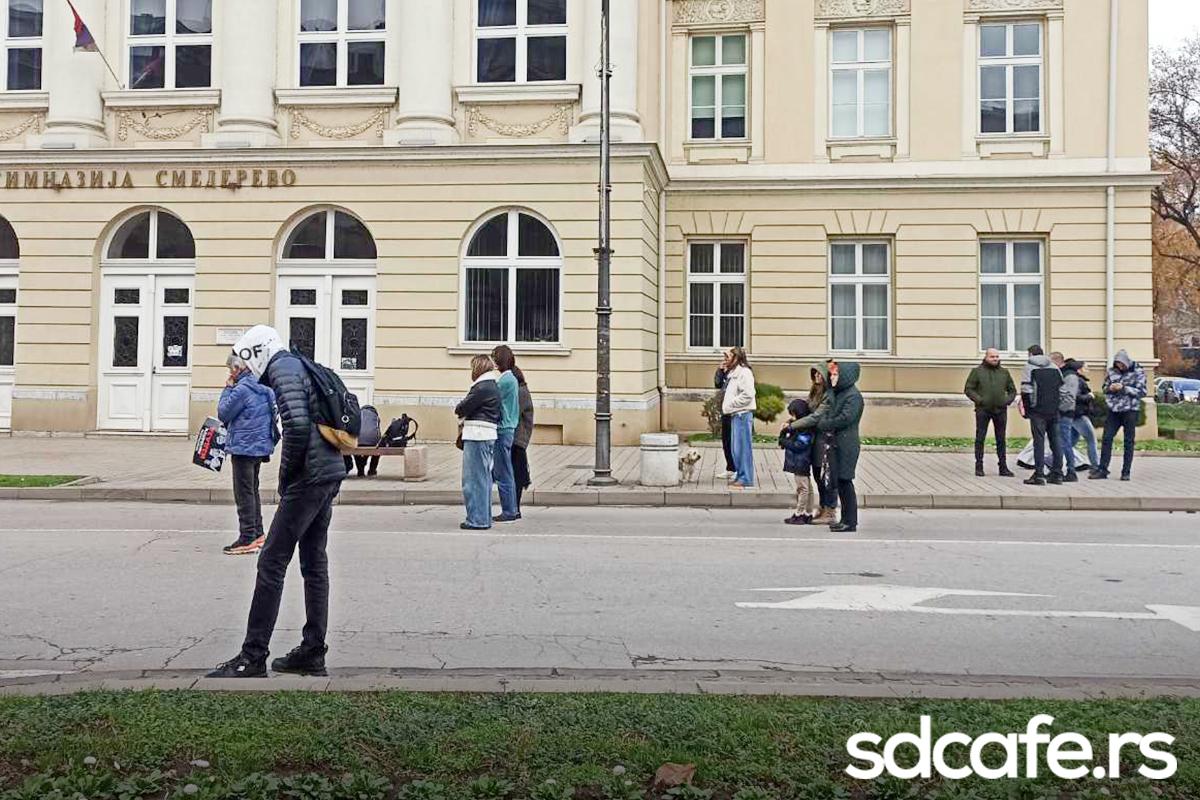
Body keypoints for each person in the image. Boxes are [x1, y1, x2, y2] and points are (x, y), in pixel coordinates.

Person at [207, 325, 346, 679]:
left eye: (246, 357)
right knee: (314, 561)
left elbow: (296, 426)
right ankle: (312, 651)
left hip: (309, 477)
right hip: (329, 470)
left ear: (257, 351)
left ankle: (252, 656)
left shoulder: (282, 368)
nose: (247, 365)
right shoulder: (299, 365)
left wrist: (286, 478)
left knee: (271, 562)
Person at [217, 354, 279, 555]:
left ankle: (247, 537)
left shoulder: (242, 389)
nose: (230, 373)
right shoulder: (265, 386)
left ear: (238, 369)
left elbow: (223, 413)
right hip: (259, 445)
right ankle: (258, 533)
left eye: (231, 369)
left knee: (243, 493)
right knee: (252, 490)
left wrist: (228, 388)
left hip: (243, 447)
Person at [818, 360, 864, 533]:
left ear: (846, 376)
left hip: (847, 444)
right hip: (836, 443)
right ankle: (844, 519)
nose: (832, 377)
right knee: (839, 482)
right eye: (832, 374)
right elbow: (827, 410)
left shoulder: (853, 396)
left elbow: (846, 418)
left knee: (845, 481)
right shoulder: (837, 393)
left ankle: (850, 522)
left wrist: (826, 424)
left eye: (835, 374)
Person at [456, 355, 501, 529]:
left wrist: (459, 409)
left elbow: (462, 408)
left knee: (473, 481)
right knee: (483, 479)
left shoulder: (481, 387)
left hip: (477, 434)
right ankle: (484, 517)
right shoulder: (492, 385)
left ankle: (477, 520)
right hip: (487, 433)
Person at [790, 364, 837, 524]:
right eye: (814, 373)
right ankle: (822, 508)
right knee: (818, 475)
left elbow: (815, 417)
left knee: (826, 477)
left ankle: (830, 511)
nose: (817, 376)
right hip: (815, 438)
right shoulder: (815, 392)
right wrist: (792, 418)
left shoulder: (828, 395)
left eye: (819, 373)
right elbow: (806, 411)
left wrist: (793, 425)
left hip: (826, 439)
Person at [1091, 349, 1147, 481]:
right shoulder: (1111, 372)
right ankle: (1102, 469)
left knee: (1128, 441)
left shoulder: (1138, 371)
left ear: (1127, 363)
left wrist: (1124, 388)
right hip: (1114, 410)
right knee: (1107, 438)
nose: (1119, 367)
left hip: (1130, 410)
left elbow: (1142, 391)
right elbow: (1104, 388)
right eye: (1117, 364)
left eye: (1121, 364)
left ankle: (1126, 472)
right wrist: (1110, 388)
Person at [964, 348, 1017, 478]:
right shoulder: (977, 372)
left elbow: (1012, 390)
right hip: (983, 410)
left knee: (1001, 439)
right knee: (980, 438)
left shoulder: (1004, 372)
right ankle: (979, 466)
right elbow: (969, 389)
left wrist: (1007, 401)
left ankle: (1003, 467)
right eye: (992, 357)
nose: (995, 359)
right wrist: (979, 400)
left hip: (1000, 410)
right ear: (986, 357)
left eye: (997, 356)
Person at [1020, 345, 1064, 486]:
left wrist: (1028, 410)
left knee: (1038, 443)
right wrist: (1058, 406)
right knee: (1056, 442)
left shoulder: (1029, 367)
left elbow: (1026, 390)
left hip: (1037, 412)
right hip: (1054, 410)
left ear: (1030, 354)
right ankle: (1057, 474)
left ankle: (1039, 475)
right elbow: (1062, 389)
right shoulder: (1054, 367)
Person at [1053, 355, 1096, 482]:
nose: (1087, 371)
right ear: (1079, 369)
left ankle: (1055, 464)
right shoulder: (1074, 378)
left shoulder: (1068, 376)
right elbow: (1073, 397)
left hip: (1070, 414)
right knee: (1089, 439)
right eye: (1085, 368)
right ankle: (1094, 466)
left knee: (1068, 442)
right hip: (1075, 414)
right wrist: (1089, 396)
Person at [490, 345, 521, 523]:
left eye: (494, 357)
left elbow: (490, 398)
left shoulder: (505, 380)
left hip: (502, 429)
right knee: (504, 471)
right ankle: (511, 509)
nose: (493, 361)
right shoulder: (511, 378)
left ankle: (509, 511)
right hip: (508, 429)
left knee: (503, 473)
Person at [721, 346, 756, 488]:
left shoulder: (744, 372)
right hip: (736, 415)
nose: (725, 359)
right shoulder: (734, 373)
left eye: (728, 356)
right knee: (736, 449)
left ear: (736, 358)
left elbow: (748, 394)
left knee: (742, 449)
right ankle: (741, 476)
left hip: (742, 415)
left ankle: (745, 479)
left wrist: (731, 404)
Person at [779, 398, 815, 525]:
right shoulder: (798, 427)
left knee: (803, 489)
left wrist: (784, 441)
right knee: (807, 488)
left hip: (801, 462)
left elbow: (799, 445)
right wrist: (786, 430)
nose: (792, 418)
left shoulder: (805, 429)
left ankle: (800, 514)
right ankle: (808, 513)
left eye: (794, 415)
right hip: (799, 462)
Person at [512, 367, 535, 514]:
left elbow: (513, 413)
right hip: (518, 438)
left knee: (517, 476)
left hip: (517, 439)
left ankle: (515, 508)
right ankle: (514, 508)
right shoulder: (521, 390)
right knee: (516, 475)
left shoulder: (520, 392)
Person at [714, 363, 736, 479]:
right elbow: (718, 384)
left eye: (728, 357)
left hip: (735, 412)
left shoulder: (741, 371)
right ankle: (730, 468)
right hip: (726, 411)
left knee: (734, 442)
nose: (725, 360)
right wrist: (720, 370)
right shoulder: (727, 372)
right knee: (726, 441)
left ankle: (737, 469)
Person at [345, 405, 381, 478]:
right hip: (372, 442)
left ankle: (360, 470)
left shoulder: (357, 414)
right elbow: (378, 432)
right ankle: (372, 470)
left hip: (357, 440)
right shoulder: (376, 417)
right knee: (376, 450)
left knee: (356, 450)